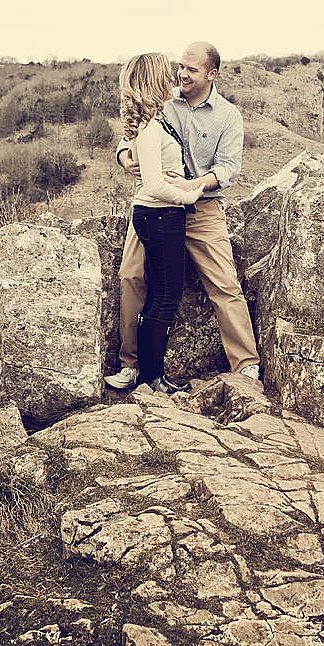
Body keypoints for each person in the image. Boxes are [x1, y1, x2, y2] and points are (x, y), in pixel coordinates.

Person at [106, 41, 261, 390]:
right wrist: (125, 158)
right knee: (131, 276)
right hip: (156, 207)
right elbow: (128, 137)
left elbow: (228, 169)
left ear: (212, 74)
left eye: (191, 69)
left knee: (224, 283)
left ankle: (246, 364)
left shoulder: (228, 115)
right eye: (180, 67)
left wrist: (192, 186)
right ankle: (130, 364)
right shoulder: (163, 101)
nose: (182, 74)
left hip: (202, 207)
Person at [118, 52, 204, 393]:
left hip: (160, 214)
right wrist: (191, 194)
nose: (174, 77)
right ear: (154, 80)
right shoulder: (151, 129)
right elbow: (153, 184)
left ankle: (152, 375)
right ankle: (152, 378)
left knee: (163, 295)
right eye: (167, 73)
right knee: (164, 297)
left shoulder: (156, 121)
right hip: (159, 214)